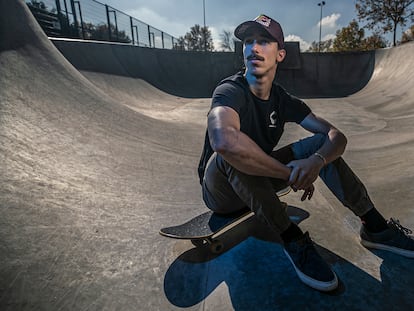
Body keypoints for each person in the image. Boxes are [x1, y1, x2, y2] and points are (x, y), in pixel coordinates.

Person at [197, 14, 414, 292]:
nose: (254, 47)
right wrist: (291, 173)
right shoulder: (230, 90)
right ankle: (293, 239)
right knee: (232, 152)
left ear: (281, 54)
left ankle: (374, 226)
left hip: (261, 181)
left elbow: (336, 136)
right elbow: (224, 142)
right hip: (222, 192)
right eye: (248, 42)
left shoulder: (282, 100)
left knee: (318, 143)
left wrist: (316, 161)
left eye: (264, 41)